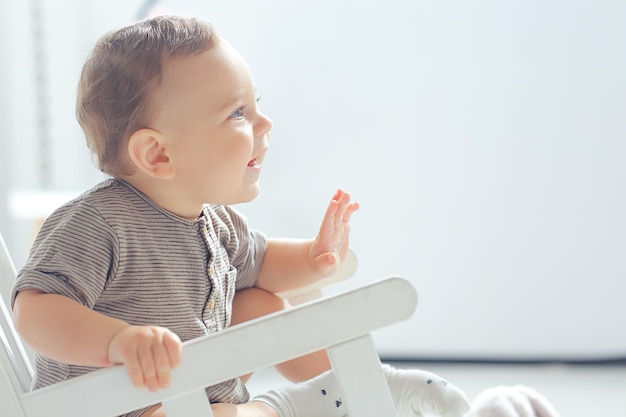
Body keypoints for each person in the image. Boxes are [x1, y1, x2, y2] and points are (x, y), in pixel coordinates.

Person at [11, 15, 469, 417]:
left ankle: (357, 381)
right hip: (118, 404)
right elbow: (34, 309)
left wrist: (314, 256)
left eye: (256, 106)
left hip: (191, 387)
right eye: (238, 113)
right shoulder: (95, 224)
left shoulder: (215, 221)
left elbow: (262, 262)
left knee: (257, 305)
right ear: (158, 153)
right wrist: (115, 341)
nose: (265, 125)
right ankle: (287, 407)